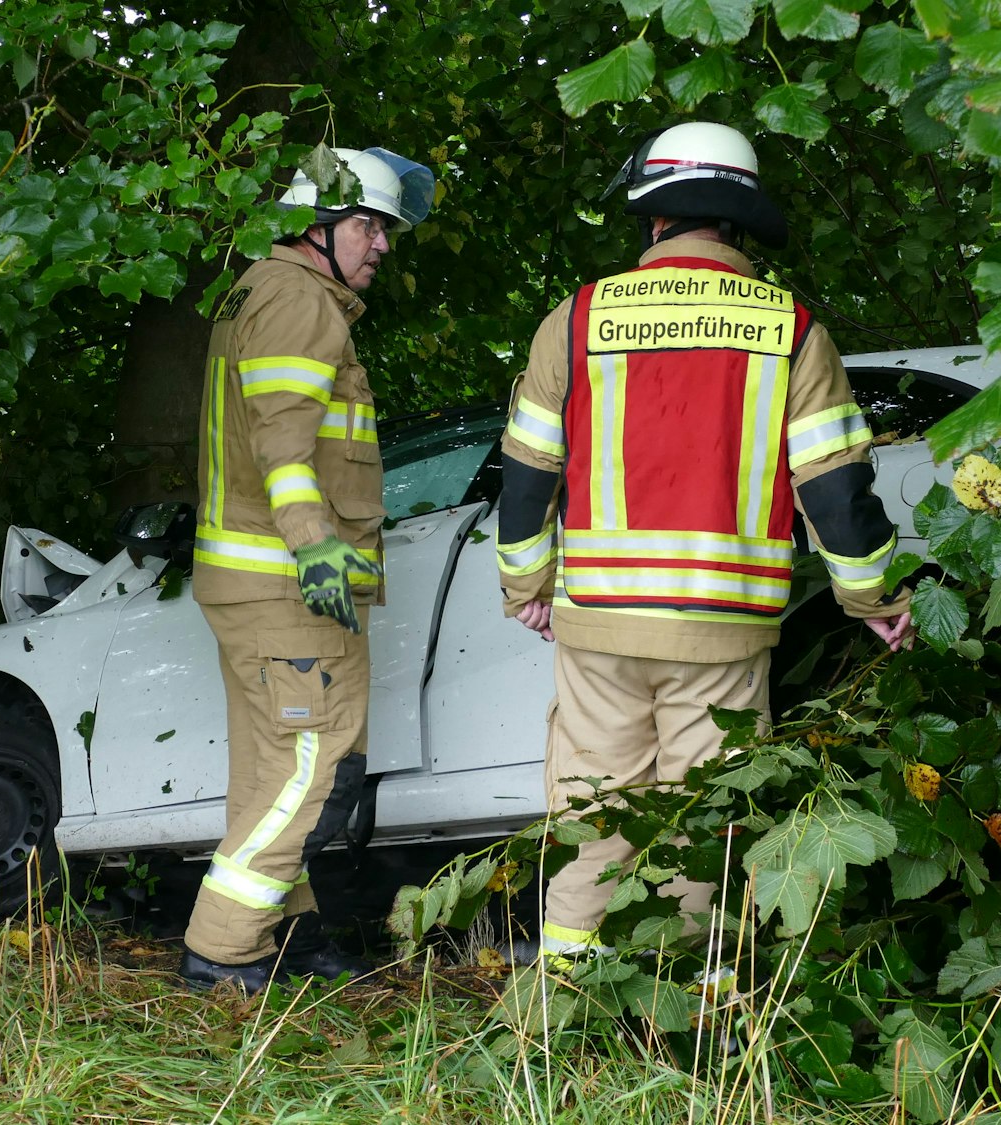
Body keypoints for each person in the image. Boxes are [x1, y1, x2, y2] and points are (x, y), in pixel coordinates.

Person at [495, 121, 914, 963]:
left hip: (601, 624)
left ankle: (559, 1020)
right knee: (705, 831)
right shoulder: (791, 327)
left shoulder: (575, 319)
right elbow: (835, 488)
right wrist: (876, 600)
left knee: (594, 821)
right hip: (724, 631)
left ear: (656, 217)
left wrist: (526, 586)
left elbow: (527, 473)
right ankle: (692, 1026)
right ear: (736, 220)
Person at [180, 146, 434, 992]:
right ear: (317, 225)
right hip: (288, 586)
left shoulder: (262, 291)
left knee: (269, 771)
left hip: (252, 584)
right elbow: (283, 439)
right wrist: (312, 542)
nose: (383, 246)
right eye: (369, 224)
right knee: (309, 767)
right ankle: (222, 949)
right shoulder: (297, 302)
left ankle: (286, 933)